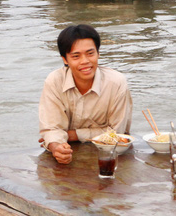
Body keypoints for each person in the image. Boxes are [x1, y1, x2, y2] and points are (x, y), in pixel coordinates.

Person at [39, 24, 132, 165]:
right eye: (76, 56)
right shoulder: (54, 81)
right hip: (68, 154)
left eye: (90, 53)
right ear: (65, 59)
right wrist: (56, 147)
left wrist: (73, 134)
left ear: (98, 53)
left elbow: (117, 134)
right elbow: (52, 129)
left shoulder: (117, 83)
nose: (85, 61)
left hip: (109, 156)